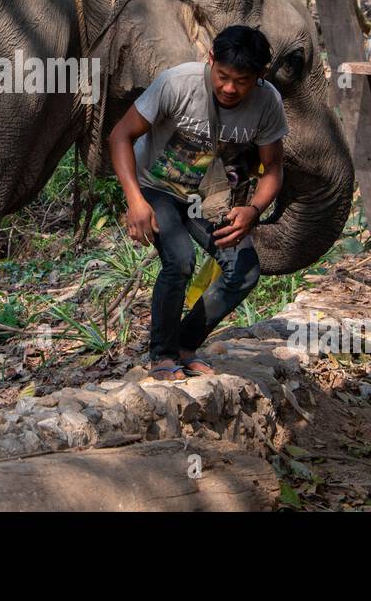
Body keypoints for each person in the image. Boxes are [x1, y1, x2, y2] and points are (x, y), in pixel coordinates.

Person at [107, 25, 287, 381]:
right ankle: (161, 355)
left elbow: (274, 167)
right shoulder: (178, 83)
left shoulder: (268, 103)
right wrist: (135, 201)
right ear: (210, 61)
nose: (230, 88)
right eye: (222, 76)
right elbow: (120, 136)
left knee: (244, 270)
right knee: (180, 259)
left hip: (209, 195)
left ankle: (186, 345)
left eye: (243, 80)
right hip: (155, 187)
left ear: (260, 77)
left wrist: (253, 210)